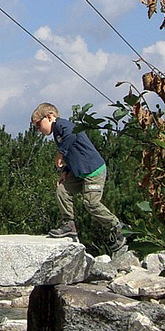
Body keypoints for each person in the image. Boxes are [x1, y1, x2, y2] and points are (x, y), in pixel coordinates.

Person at [31, 102, 125, 255]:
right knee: (62, 190)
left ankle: (117, 227)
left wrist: (60, 154)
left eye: (38, 125)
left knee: (91, 203)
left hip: (93, 171)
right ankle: (69, 224)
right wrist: (66, 171)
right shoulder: (57, 133)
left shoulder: (63, 125)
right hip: (79, 171)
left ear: (49, 117)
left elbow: (72, 135)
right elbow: (73, 152)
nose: (38, 129)